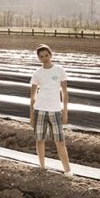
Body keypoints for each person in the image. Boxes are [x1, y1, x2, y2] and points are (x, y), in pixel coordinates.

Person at [29, 45, 73, 175]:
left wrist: (65, 112)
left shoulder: (59, 70)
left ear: (51, 55)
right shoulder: (37, 73)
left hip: (55, 110)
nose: (44, 59)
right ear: (39, 58)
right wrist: (31, 116)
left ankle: (68, 171)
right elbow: (32, 96)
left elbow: (64, 93)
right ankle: (42, 167)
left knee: (60, 141)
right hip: (40, 110)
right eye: (41, 57)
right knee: (40, 140)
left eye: (46, 55)